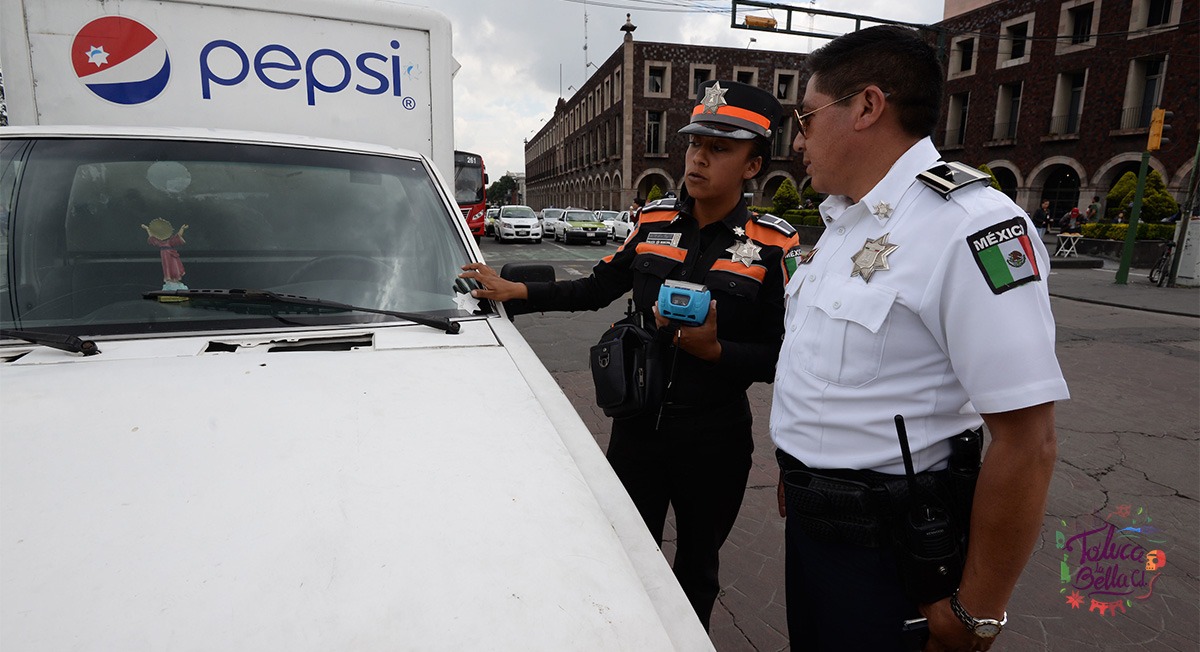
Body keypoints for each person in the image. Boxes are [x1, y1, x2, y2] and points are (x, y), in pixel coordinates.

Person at [461, 79, 800, 630]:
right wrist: (520, 291)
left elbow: (780, 356)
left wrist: (716, 351)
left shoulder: (774, 245)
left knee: (697, 568)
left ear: (753, 165)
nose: (698, 158)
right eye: (695, 144)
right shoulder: (654, 220)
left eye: (720, 148)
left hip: (714, 440)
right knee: (623, 557)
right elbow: (597, 287)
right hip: (637, 428)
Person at [772, 25, 1068, 651]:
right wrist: (797, 464)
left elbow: (1028, 442)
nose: (797, 138)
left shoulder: (970, 225)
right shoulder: (845, 223)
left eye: (805, 117)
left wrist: (976, 615)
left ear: (867, 107)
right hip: (813, 529)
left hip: (895, 556)